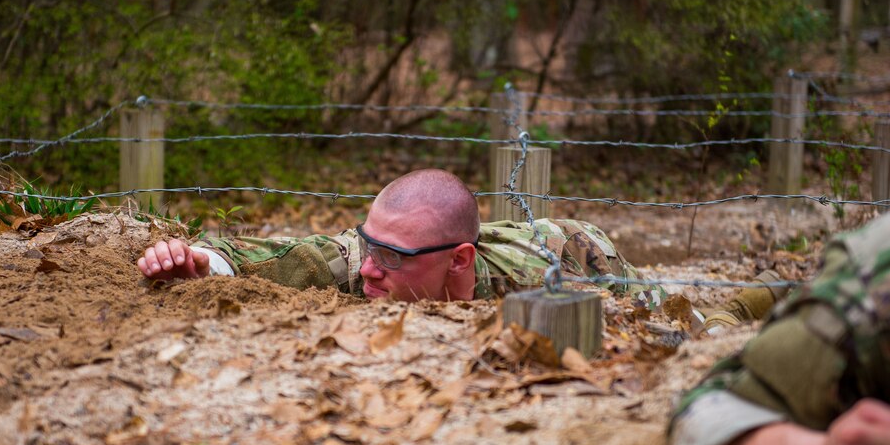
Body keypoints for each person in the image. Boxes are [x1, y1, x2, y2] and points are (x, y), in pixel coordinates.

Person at [668, 201, 890, 445]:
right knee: (665, 301)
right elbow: (707, 412)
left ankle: (737, 309)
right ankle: (734, 311)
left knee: (688, 307)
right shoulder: (886, 292)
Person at [137, 168, 665, 307]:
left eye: (392, 255)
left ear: (459, 261)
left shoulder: (554, 276)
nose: (370, 267)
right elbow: (293, 259)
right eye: (372, 244)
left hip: (578, 245)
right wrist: (202, 260)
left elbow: (659, 320)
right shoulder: (366, 259)